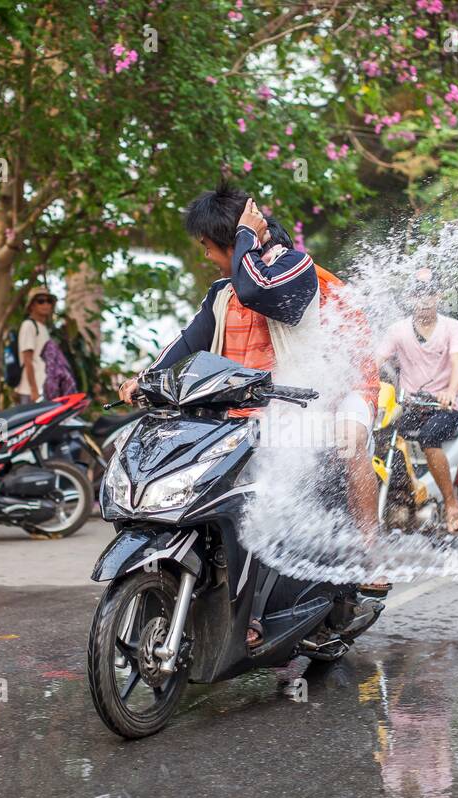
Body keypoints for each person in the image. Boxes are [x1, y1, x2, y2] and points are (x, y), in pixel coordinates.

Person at [119, 184, 385, 594]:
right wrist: (146, 379)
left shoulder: (295, 269)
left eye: (209, 246)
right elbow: (189, 341)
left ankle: (370, 555)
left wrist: (245, 234)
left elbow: (256, 290)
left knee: (351, 441)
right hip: (253, 412)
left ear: (232, 241)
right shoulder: (222, 294)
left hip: (329, 392)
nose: (206, 256)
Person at [375, 267, 458, 535]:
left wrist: (450, 392)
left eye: (429, 294)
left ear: (438, 296)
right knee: (381, 437)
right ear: (410, 297)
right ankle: (400, 496)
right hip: (409, 405)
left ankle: (451, 507)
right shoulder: (398, 330)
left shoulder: (453, 327)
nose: (424, 300)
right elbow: (376, 361)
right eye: (418, 294)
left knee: (429, 437)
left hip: (442, 406)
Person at [16, 286, 55, 404]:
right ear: (32, 305)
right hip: (31, 391)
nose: (46, 305)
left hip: (44, 388)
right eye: (41, 301)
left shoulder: (43, 328)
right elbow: (27, 360)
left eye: (49, 301)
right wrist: (34, 390)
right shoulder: (29, 325)